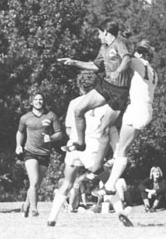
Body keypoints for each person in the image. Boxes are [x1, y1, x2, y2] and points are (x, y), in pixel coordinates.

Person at [47, 71, 131, 226]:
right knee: (108, 181)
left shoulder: (74, 103)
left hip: (74, 147)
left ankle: (52, 218)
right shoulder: (106, 104)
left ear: (80, 87)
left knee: (67, 183)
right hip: (93, 147)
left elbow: (68, 127)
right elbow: (110, 129)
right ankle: (120, 211)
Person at [95, 40, 158, 195]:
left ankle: (110, 185)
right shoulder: (153, 71)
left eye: (137, 51)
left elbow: (124, 58)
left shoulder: (136, 61)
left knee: (122, 149)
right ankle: (111, 173)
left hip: (137, 107)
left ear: (141, 54)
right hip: (147, 109)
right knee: (122, 148)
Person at [58, 20, 132, 152]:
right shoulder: (104, 48)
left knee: (105, 129)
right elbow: (95, 66)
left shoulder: (119, 44)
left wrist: (118, 71)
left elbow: (127, 59)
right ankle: (81, 143)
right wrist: (74, 62)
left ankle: (113, 158)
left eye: (99, 33)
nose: (98, 36)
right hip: (106, 85)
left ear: (106, 32)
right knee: (78, 110)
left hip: (119, 92)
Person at [15, 91, 62, 217]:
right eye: (36, 99)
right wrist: (18, 145)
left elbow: (59, 133)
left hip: (45, 153)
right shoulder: (25, 117)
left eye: (41, 99)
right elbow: (20, 132)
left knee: (36, 185)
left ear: (44, 101)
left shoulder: (51, 116)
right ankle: (34, 210)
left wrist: (51, 138)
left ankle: (25, 206)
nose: (38, 102)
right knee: (34, 182)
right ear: (31, 102)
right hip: (30, 152)